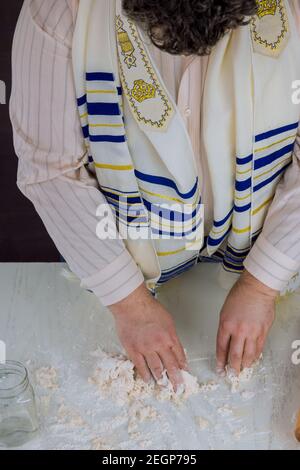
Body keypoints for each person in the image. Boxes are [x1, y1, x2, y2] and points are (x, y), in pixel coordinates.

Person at [10, 0, 300, 390]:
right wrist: (129, 304)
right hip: (116, 265)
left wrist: (262, 284)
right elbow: (51, 170)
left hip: (265, 250)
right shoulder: (59, 8)